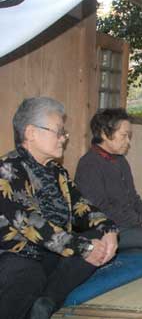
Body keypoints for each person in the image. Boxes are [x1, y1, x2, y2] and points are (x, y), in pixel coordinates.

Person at [0, 97, 118, 319]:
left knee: (98, 239)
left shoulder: (58, 172)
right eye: (59, 131)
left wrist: (108, 228)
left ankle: (46, 302)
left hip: (55, 252)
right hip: (18, 256)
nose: (64, 138)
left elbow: (82, 206)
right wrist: (84, 247)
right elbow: (32, 224)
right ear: (31, 133)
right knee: (29, 273)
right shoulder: (7, 169)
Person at [75, 108, 142, 253]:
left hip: (128, 222)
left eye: (129, 136)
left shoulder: (120, 160)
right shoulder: (89, 164)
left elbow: (133, 198)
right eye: (124, 136)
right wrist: (140, 221)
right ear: (104, 134)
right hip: (106, 228)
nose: (128, 142)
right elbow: (99, 209)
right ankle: (112, 251)